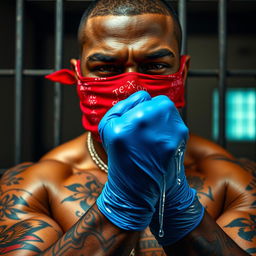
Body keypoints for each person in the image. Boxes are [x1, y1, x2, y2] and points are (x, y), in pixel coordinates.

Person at [0, 0, 255, 255]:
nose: (132, 87)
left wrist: (179, 207)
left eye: (154, 66)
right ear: (79, 76)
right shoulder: (38, 185)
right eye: (106, 68)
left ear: (182, 73)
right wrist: (120, 204)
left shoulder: (231, 180)